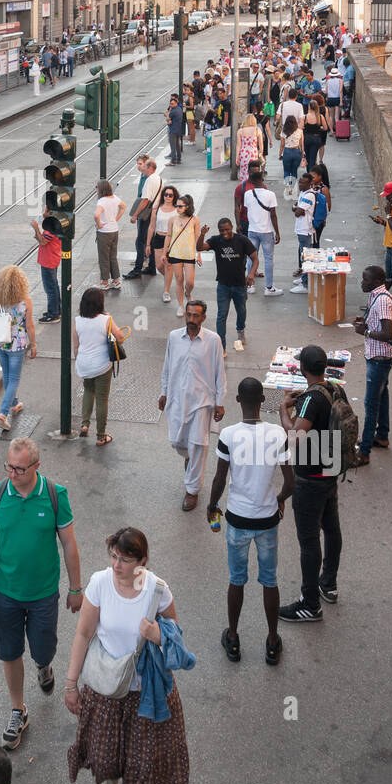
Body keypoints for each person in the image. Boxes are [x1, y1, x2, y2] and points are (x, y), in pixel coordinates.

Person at [65, 527, 191, 784]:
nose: (116, 565)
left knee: (143, 763)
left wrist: (157, 635)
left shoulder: (158, 592)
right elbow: (83, 634)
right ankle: (109, 775)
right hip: (107, 687)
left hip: (146, 693)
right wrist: (70, 684)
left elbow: (175, 641)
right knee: (105, 755)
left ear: (142, 562)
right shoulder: (99, 583)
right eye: (113, 556)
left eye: (124, 559)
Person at [0, 437, 81, 749]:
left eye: (20, 468)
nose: (12, 473)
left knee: (42, 648)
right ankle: (18, 710)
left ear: (36, 466)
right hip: (5, 592)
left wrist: (76, 588)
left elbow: (69, 544)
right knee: (9, 653)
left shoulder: (54, 495)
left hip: (44, 594)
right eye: (9, 466)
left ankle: (44, 665)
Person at [207, 379, 294, 666]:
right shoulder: (277, 434)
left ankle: (233, 638)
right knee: (269, 580)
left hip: (237, 519)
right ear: (262, 400)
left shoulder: (229, 435)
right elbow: (290, 482)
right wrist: (279, 498)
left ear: (237, 400)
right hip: (267, 519)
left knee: (237, 580)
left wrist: (212, 505)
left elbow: (220, 478)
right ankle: (271, 642)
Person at [278, 345, 342, 622]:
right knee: (331, 529)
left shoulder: (311, 400)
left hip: (311, 479)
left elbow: (294, 437)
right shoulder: (335, 389)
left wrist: (283, 410)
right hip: (329, 474)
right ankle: (328, 584)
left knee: (308, 540)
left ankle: (310, 602)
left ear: (303, 369)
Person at [159, 299, 226, 511]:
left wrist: (220, 403)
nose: (191, 320)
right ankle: (191, 465)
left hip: (202, 403)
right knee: (180, 443)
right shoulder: (174, 337)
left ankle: (192, 491)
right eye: (189, 315)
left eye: (196, 316)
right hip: (178, 401)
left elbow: (219, 373)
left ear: (203, 318)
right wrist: (164, 392)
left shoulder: (213, 340)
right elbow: (167, 366)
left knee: (198, 445)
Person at [353, 265, 392, 466]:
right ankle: (382, 435)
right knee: (382, 394)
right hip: (378, 357)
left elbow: (388, 334)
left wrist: (366, 333)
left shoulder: (382, 301)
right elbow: (379, 323)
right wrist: (366, 323)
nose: (362, 282)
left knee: (371, 405)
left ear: (377, 282)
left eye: (366, 279)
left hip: (380, 359)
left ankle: (364, 452)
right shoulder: (376, 295)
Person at [196, 217, 258, 354]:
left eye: (227, 230)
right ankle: (221, 347)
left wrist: (252, 274)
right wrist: (202, 234)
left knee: (241, 311)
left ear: (232, 229)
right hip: (223, 285)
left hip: (240, 285)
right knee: (221, 315)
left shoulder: (242, 240)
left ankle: (240, 329)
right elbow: (199, 247)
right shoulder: (216, 240)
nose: (224, 233)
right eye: (222, 230)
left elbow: (255, 258)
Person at [74, 286, 125, 446]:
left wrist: (81, 362)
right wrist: (109, 319)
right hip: (102, 365)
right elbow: (121, 337)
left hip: (84, 364)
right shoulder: (106, 320)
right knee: (102, 399)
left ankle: (84, 424)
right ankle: (101, 436)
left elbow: (76, 347)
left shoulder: (77, 321)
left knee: (88, 391)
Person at [0, 264, 37, 431]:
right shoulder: (26, 302)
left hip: (1, 342)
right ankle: (3, 413)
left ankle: (15, 404)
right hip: (17, 344)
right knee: (14, 379)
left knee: (7, 376)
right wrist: (34, 344)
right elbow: (29, 325)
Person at [243, 171, 282, 296]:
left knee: (251, 257)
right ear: (262, 179)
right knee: (268, 259)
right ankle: (269, 288)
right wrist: (277, 232)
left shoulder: (248, 194)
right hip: (266, 231)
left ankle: (250, 286)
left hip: (252, 230)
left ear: (251, 181)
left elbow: (249, 209)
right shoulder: (270, 194)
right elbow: (273, 215)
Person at [123, 155, 160, 280]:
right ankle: (151, 267)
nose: (141, 167)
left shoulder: (149, 180)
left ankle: (137, 270)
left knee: (140, 242)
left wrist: (135, 215)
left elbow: (145, 200)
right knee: (150, 241)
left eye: (143, 165)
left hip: (146, 214)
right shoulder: (158, 178)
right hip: (154, 213)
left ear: (149, 167)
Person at [165, 192, 201, 317]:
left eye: (180, 206)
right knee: (179, 280)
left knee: (190, 282)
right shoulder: (172, 219)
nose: (177, 208)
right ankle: (181, 305)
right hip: (175, 253)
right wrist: (165, 253)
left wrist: (199, 254)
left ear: (187, 207)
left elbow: (198, 238)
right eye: (176, 205)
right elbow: (168, 236)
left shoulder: (194, 220)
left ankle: (188, 293)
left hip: (189, 254)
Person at [147, 182, 180, 304]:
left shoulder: (177, 210)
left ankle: (166, 291)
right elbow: (151, 226)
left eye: (170, 195)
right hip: (158, 238)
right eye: (165, 194)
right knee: (159, 266)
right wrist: (148, 244)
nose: (167, 197)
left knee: (168, 265)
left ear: (174, 196)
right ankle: (170, 278)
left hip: (171, 240)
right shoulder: (157, 209)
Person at [93, 179, 126, 292]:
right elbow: (123, 207)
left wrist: (99, 225)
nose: (95, 189)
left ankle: (105, 282)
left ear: (101, 189)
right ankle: (116, 280)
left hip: (104, 233)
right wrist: (116, 219)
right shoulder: (115, 198)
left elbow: (96, 215)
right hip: (114, 231)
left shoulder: (102, 201)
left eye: (96, 187)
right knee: (112, 256)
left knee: (103, 257)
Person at [31, 208, 61, 323]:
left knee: (50, 288)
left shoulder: (50, 229)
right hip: (52, 259)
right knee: (54, 285)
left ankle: (53, 314)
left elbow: (43, 241)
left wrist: (36, 228)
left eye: (46, 210)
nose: (44, 212)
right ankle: (57, 309)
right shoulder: (54, 223)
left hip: (48, 261)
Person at [290, 174, 316, 293]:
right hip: (300, 229)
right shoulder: (302, 193)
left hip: (305, 229)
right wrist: (297, 209)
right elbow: (297, 209)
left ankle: (305, 284)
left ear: (309, 183)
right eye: (300, 182)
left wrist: (296, 209)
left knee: (306, 257)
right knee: (303, 255)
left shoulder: (309, 195)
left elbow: (297, 211)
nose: (300, 184)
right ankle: (304, 279)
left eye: (303, 183)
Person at [279, 116, 304, 197]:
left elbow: (282, 145)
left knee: (286, 171)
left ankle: (287, 186)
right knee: (294, 171)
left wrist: (280, 154)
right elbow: (301, 144)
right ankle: (292, 188)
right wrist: (302, 154)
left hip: (287, 152)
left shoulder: (284, 131)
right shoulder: (300, 131)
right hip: (297, 152)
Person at [236, 112, 263, 185]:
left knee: (244, 172)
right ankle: (253, 187)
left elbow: (238, 145)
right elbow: (261, 144)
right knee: (254, 172)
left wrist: (237, 157)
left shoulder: (240, 131)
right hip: (253, 153)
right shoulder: (257, 130)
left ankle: (244, 188)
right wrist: (260, 154)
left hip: (243, 153)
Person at [308, 165, 331, 248]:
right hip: (308, 219)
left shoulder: (323, 189)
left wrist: (322, 217)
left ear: (320, 177)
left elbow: (328, 206)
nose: (311, 179)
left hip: (318, 220)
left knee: (315, 241)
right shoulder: (309, 187)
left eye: (313, 177)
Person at [165, 93, 185, 165]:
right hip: (178, 129)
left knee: (173, 146)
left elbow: (168, 119)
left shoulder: (173, 111)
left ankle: (173, 161)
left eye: (172, 104)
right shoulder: (179, 109)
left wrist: (168, 113)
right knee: (177, 145)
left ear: (176, 103)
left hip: (173, 130)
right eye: (170, 104)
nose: (171, 105)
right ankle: (178, 159)